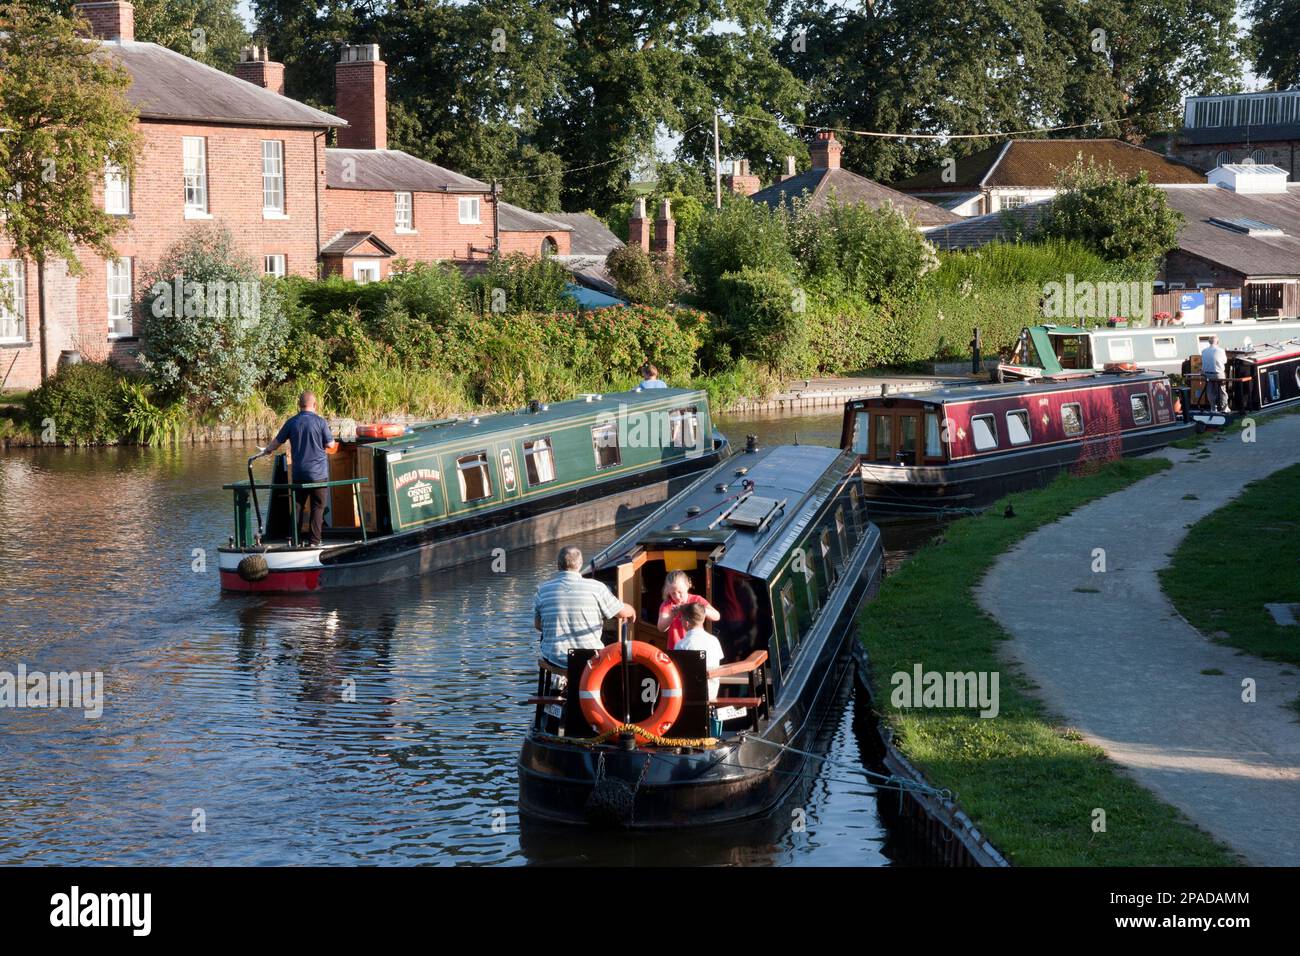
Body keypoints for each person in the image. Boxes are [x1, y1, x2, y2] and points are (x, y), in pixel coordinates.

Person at [534, 546, 636, 670]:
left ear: (558, 565)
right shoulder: (597, 588)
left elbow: (538, 625)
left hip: (553, 658)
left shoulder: (542, 591)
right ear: (580, 564)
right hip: (590, 656)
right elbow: (621, 613)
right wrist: (632, 610)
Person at [258, 391, 338, 547]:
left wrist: (267, 450)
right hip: (318, 475)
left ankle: (293, 539)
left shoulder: (291, 422)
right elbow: (330, 445)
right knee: (318, 506)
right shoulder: (320, 422)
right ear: (315, 405)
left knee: (298, 506)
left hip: (299, 473)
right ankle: (314, 542)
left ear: (299, 405)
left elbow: (276, 442)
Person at [657, 570, 720, 651]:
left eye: (680, 592)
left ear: (687, 586)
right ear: (668, 591)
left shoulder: (696, 599)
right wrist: (672, 616)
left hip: (696, 646)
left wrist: (698, 608)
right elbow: (661, 628)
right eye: (673, 593)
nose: (677, 596)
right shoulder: (667, 604)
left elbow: (717, 616)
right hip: (675, 648)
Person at [676, 601, 724, 702]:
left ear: (687, 623)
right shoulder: (714, 641)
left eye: (681, 617)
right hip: (712, 692)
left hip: (690, 694)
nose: (680, 620)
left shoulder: (682, 644)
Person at [1201, 334, 1229, 412]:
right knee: (1222, 390)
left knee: (1210, 391)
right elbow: (1225, 361)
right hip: (1218, 374)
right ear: (1217, 342)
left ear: (1209, 342)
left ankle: (1213, 408)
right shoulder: (1220, 350)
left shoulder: (1204, 351)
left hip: (1207, 374)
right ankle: (1224, 408)